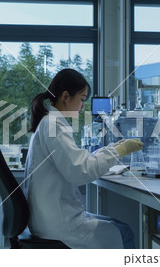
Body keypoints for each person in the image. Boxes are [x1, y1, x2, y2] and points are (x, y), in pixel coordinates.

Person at [24, 68, 143, 249]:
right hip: (57, 225)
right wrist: (119, 151)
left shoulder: (50, 122)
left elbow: (79, 160)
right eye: (81, 99)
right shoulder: (53, 125)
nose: (83, 106)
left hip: (50, 217)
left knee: (118, 226)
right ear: (65, 96)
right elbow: (80, 171)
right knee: (125, 233)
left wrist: (113, 148)